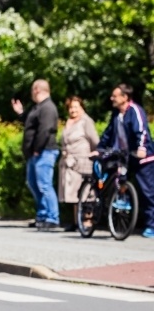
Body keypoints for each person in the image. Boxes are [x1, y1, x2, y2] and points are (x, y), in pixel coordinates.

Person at [95, 83, 154, 238]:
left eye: (115, 95)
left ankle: (151, 226)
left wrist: (142, 148)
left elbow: (141, 131)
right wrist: (99, 148)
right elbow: (108, 133)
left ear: (125, 97)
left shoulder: (135, 111)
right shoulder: (117, 114)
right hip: (125, 157)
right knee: (119, 183)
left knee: (148, 192)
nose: (112, 98)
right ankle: (120, 211)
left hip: (142, 157)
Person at [12, 79, 60, 231]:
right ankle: (42, 216)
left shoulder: (48, 107)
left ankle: (53, 218)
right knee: (34, 184)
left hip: (44, 151)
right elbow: (30, 123)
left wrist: (37, 149)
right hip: (36, 154)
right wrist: (21, 113)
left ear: (37, 89)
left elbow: (45, 130)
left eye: (33, 89)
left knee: (45, 185)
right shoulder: (38, 108)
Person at [58, 96, 99, 231]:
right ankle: (76, 221)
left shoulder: (86, 121)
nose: (73, 110)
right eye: (70, 107)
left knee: (86, 192)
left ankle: (87, 220)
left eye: (76, 107)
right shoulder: (69, 122)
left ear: (82, 107)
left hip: (82, 161)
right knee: (74, 194)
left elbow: (95, 141)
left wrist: (95, 154)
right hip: (68, 162)